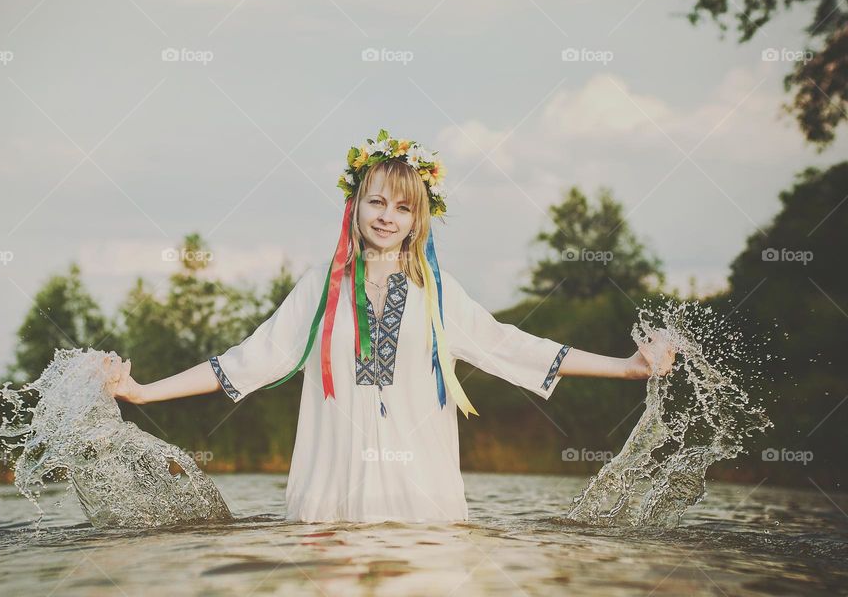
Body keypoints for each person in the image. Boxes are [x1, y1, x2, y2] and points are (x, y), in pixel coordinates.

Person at [109, 129, 676, 523]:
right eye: (376, 201)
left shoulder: (437, 294)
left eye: (403, 208)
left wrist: (627, 368)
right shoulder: (319, 288)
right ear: (355, 205)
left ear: (418, 218)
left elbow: (514, 347)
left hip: (419, 497)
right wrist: (141, 391)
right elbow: (246, 362)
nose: (387, 216)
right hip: (332, 497)